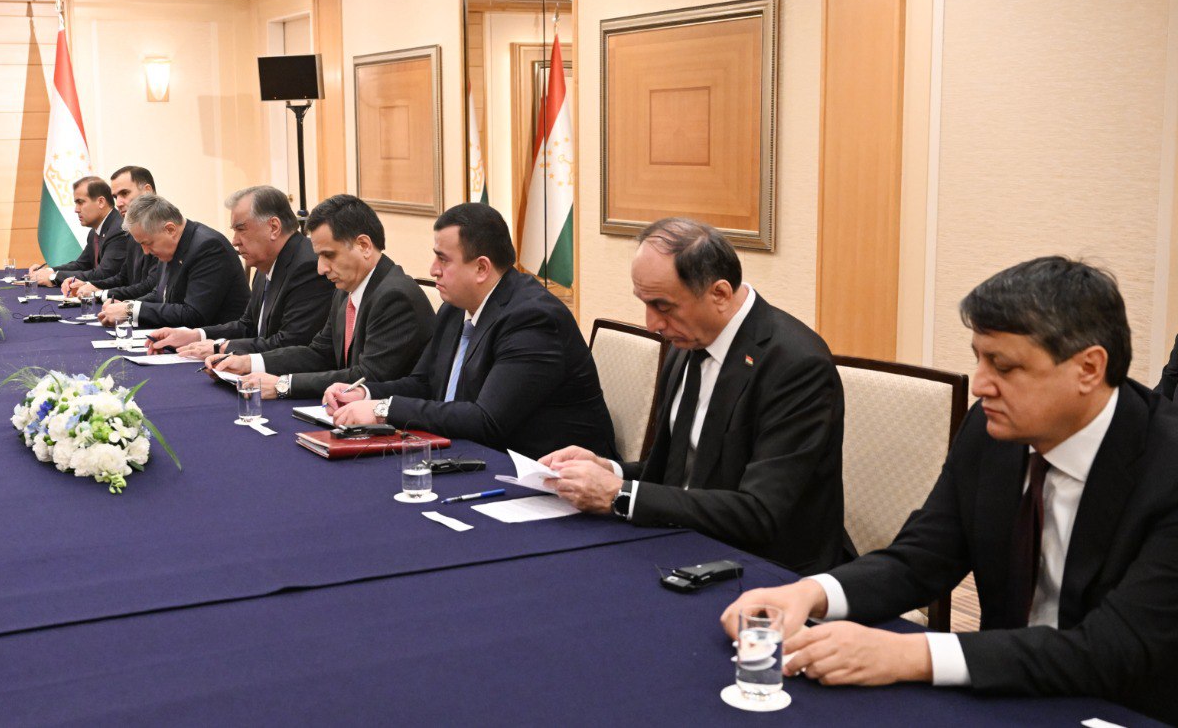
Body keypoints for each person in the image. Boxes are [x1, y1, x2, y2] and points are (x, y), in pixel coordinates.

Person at [719, 256, 1178, 724]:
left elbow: (1115, 647)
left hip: (1125, 707)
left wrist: (910, 654)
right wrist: (809, 593)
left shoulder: (1166, 468)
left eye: (1004, 367)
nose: (980, 386)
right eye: (979, 358)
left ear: (1089, 368)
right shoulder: (991, 430)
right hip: (1004, 692)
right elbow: (922, 559)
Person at [539, 217, 851, 575]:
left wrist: (619, 494)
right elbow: (677, 476)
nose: (652, 324)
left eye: (663, 306)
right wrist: (607, 469)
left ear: (719, 294)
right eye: (645, 303)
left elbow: (760, 513)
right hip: (683, 543)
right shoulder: (686, 344)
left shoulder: (795, 365)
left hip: (768, 568)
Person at [328, 202, 615, 459]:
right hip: (471, 454)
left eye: (443, 259)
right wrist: (365, 394)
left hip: (548, 473)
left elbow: (487, 420)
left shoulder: (533, 319)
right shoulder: (455, 307)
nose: (433, 269)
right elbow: (425, 383)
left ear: (481, 268)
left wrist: (383, 410)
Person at [213, 194, 435, 401]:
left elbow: (366, 377)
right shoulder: (345, 290)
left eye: (329, 255)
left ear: (364, 246)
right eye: (319, 256)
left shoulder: (395, 296)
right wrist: (249, 362)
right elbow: (319, 353)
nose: (321, 268)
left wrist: (284, 384)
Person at [146, 185, 333, 360]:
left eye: (241, 229)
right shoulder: (266, 262)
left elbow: (290, 344)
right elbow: (247, 326)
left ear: (274, 228)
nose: (234, 241)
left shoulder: (307, 267)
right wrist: (195, 335)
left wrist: (221, 347)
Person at [98, 193, 249, 329]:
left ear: (170, 229)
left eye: (148, 243)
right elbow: (160, 294)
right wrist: (126, 306)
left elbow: (194, 315)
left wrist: (131, 310)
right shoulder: (171, 246)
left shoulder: (208, 247)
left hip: (220, 344)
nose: (145, 251)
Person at [65, 166, 160, 301]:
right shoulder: (131, 232)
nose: (118, 203)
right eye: (116, 197)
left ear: (147, 192)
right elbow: (123, 278)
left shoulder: (163, 230)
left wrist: (100, 294)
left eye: (124, 193)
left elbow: (150, 286)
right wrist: (91, 286)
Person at [28, 176, 127, 287]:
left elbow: (103, 274)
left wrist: (54, 277)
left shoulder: (118, 230)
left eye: (80, 202)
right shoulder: (95, 231)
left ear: (101, 202)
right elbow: (82, 265)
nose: (76, 209)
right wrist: (49, 271)